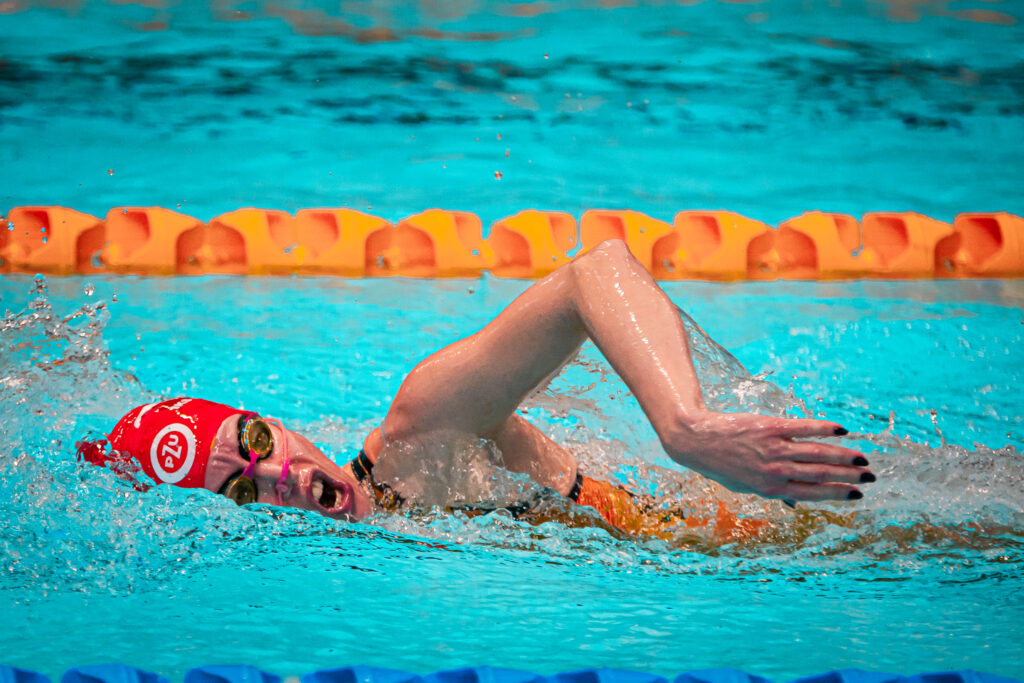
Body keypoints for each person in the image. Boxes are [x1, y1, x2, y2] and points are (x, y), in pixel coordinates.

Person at [78, 239, 874, 540]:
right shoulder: (389, 521)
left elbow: (594, 272)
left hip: (772, 509)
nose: (282, 475)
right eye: (244, 491)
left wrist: (684, 426)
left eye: (256, 446)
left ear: (274, 423)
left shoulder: (418, 431)